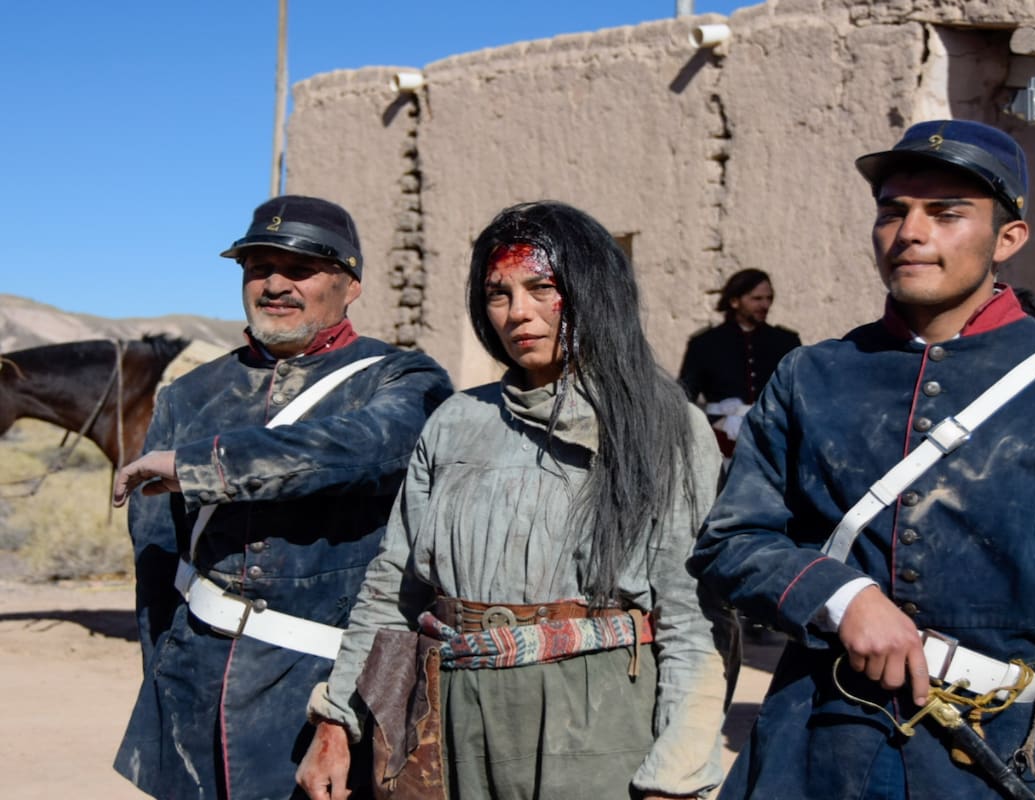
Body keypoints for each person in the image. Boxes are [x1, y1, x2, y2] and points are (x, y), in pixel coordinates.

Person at [688, 120, 1035, 799]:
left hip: (995, 753)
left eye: (946, 214)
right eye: (894, 212)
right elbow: (731, 542)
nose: (911, 232)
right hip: (816, 742)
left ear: (1008, 238)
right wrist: (842, 595)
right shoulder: (811, 374)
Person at [297, 200, 734, 800]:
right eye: (499, 294)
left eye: (542, 287)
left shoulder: (665, 427)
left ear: (592, 292)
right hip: (449, 725)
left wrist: (677, 777)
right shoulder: (455, 421)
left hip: (596, 727)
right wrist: (336, 721)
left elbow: (691, 620)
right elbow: (391, 587)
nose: (518, 313)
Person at [111, 195, 454, 799]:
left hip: (326, 686)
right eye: (257, 267)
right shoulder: (189, 395)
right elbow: (156, 560)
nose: (274, 284)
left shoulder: (404, 379)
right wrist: (162, 679)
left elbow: (353, 449)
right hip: (193, 680)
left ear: (349, 284)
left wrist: (201, 466)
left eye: (299, 268)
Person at [678, 269, 800, 456]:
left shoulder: (785, 341)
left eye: (769, 298)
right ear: (734, 301)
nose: (765, 305)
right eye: (756, 299)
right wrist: (712, 423)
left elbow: (798, 394)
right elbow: (686, 397)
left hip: (775, 440)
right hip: (721, 442)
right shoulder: (705, 343)